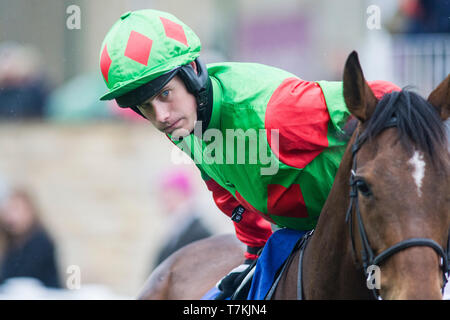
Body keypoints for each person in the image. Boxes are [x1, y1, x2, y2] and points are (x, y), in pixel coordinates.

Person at [98, 9, 400, 298]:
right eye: (146, 106)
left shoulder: (276, 110)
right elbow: (224, 186)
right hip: (307, 234)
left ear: (191, 73)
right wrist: (254, 249)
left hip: (381, 229)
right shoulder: (183, 122)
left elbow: (387, 96)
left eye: (164, 94)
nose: (160, 116)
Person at [0, 188, 61, 288]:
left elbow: (23, 273)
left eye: (16, 210)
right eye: (9, 211)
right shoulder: (10, 241)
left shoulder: (41, 242)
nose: (11, 216)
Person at [152, 168, 212, 268]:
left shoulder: (200, 234)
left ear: (183, 193)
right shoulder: (176, 229)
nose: (165, 199)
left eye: (169, 192)